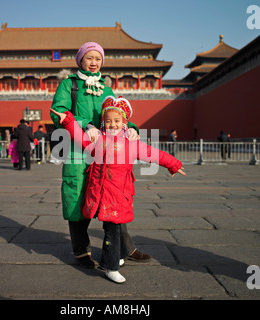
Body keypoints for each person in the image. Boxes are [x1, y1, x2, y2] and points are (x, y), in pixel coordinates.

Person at [51, 96, 186, 283]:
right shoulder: (98, 140)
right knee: (111, 229)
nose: (112, 125)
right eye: (108, 121)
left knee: (113, 229)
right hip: (99, 193)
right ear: (103, 123)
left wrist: (173, 164)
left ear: (124, 122)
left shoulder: (132, 143)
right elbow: (79, 137)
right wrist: (67, 120)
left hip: (119, 195)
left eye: (117, 121)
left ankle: (111, 265)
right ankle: (115, 260)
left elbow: (153, 154)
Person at [50, 41, 150, 269]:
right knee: (76, 197)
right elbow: (58, 112)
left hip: (106, 152)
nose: (94, 62)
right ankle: (81, 251)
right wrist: (85, 124)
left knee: (114, 196)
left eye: (98, 58)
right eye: (89, 58)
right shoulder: (69, 85)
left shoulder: (105, 87)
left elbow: (118, 112)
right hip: (78, 149)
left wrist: (132, 126)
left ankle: (126, 248)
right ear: (80, 60)